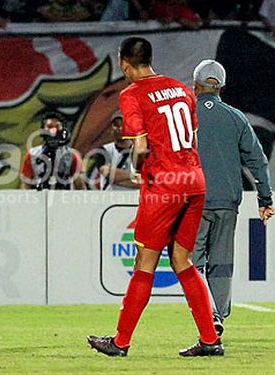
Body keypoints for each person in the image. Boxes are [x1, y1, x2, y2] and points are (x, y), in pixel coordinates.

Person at [87, 37, 223, 358]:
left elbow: (142, 146)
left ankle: (120, 342)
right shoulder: (181, 89)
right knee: (182, 261)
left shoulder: (132, 93)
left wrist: (137, 170)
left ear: (124, 62)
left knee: (144, 263)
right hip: (194, 180)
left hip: (165, 184)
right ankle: (209, 339)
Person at [191, 59, 274, 337]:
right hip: (228, 201)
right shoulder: (236, 117)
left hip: (195, 200)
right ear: (222, 88)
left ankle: (210, 314)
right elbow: (257, 160)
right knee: (222, 263)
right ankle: (218, 315)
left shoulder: (187, 116)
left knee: (191, 263)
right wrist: (265, 198)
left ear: (195, 86)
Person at [20, 112, 87, 190]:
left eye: (57, 126)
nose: (53, 131)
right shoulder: (32, 155)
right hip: (39, 197)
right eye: (49, 126)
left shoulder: (72, 155)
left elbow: (80, 185)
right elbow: (26, 184)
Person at [88, 111, 138, 190]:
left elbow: (145, 182)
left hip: (133, 200)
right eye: (116, 125)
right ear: (111, 127)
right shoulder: (104, 150)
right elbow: (108, 173)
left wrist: (118, 178)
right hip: (110, 199)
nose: (120, 129)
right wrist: (135, 176)